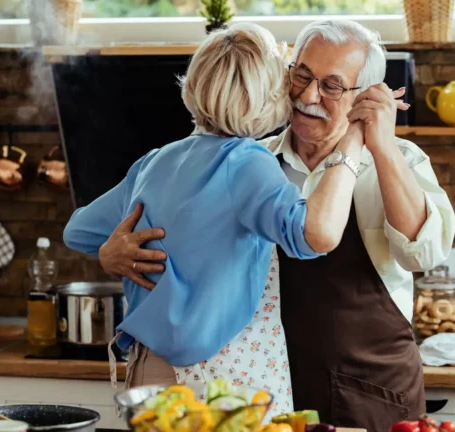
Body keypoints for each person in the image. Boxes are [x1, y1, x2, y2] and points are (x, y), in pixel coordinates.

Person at [96, 19, 455, 432]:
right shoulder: (248, 160)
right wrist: (110, 252)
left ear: (362, 96)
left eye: (332, 86)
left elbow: (423, 253)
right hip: (263, 389)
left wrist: (381, 144)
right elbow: (177, 241)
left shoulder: (399, 159)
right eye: (301, 75)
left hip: (369, 393)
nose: (308, 95)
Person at [62, 22, 370, 418]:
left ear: (194, 86)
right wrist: (352, 141)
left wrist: (110, 253)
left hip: (147, 373)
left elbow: (78, 231)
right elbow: (317, 235)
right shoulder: (248, 162)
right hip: (222, 383)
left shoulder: (155, 161)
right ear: (268, 98)